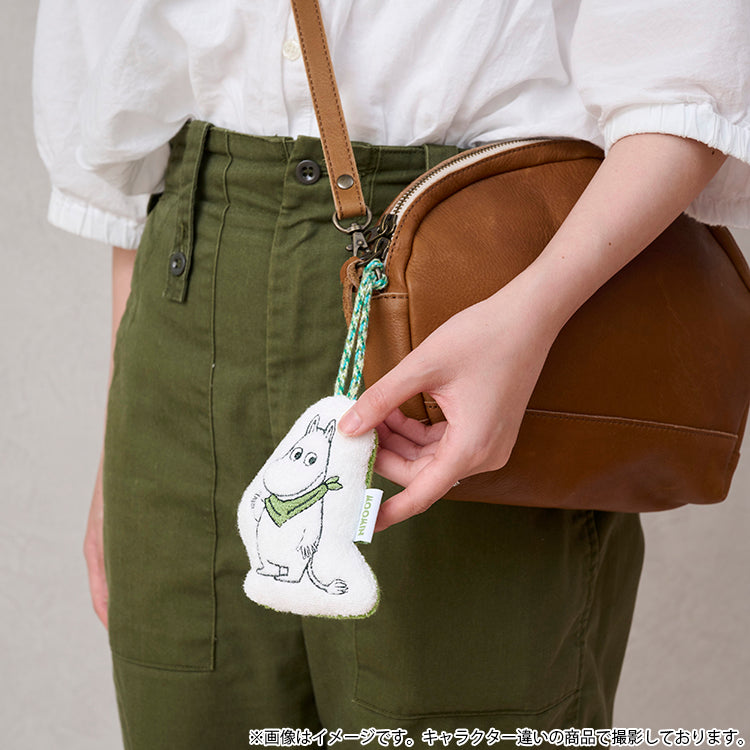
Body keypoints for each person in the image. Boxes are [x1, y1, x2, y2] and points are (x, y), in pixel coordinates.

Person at [33, 1, 750, 748]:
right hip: (190, 290)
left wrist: (531, 314)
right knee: (189, 719)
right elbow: (121, 95)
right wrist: (119, 435)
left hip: (477, 290)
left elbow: (688, 77)